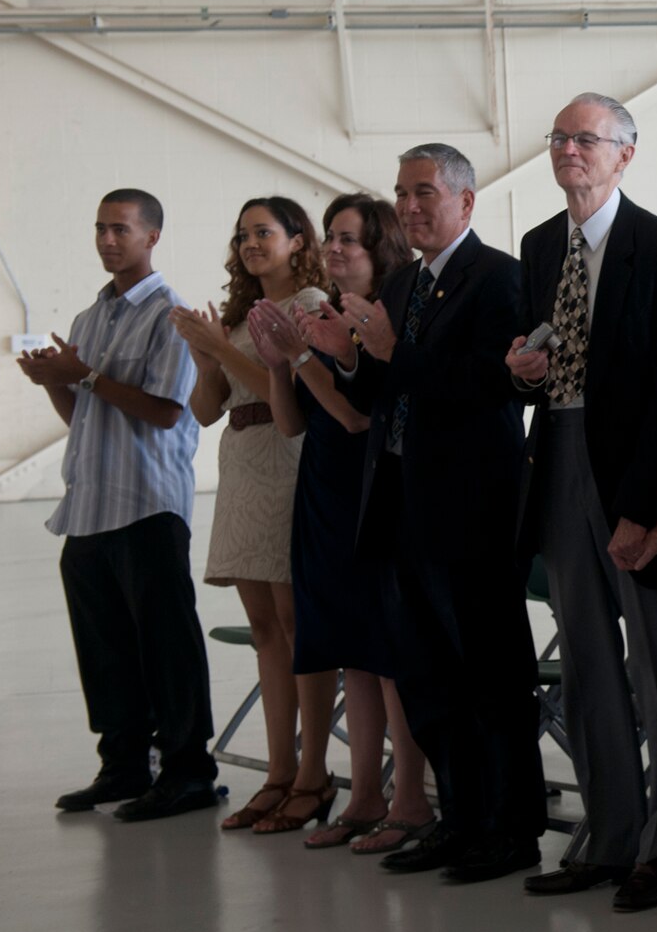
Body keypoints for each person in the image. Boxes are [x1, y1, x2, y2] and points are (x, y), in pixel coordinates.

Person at [302, 144, 543, 884]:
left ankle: (511, 829)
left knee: (489, 677)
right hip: (401, 505)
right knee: (429, 677)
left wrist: (389, 355)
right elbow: (383, 392)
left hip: (469, 508)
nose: (409, 206)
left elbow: (493, 387)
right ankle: (460, 817)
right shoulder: (404, 281)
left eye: (425, 192)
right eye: (401, 192)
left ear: (466, 202)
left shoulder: (498, 276)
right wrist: (347, 357)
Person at [505, 93, 657, 912]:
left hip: (632, 470)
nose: (569, 151)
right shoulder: (536, 244)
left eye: (585, 139)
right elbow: (536, 354)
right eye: (559, 138)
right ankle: (610, 834)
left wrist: (642, 500)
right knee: (586, 658)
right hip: (556, 457)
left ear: (625, 153)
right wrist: (515, 370)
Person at [248, 194, 436, 853]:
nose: (334, 248)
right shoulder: (325, 315)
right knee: (348, 651)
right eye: (330, 237)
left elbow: (357, 417)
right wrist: (279, 364)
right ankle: (363, 795)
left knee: (385, 653)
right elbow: (296, 421)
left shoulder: (386, 316)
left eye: (348, 238)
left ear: (379, 245)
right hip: (323, 489)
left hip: (373, 489)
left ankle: (410, 798)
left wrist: (300, 356)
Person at [24, 190, 219, 823]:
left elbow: (167, 411)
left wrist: (81, 375)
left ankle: (189, 770)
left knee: (166, 642)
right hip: (89, 504)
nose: (109, 240)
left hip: (146, 504)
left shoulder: (173, 315)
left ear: (152, 236)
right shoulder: (87, 319)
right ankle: (124, 764)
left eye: (122, 229)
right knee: (103, 644)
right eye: (101, 229)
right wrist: (60, 380)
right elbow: (84, 415)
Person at [170, 197, 333, 834]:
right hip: (240, 463)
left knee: (300, 624)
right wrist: (207, 358)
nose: (249, 244)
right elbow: (207, 410)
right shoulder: (239, 316)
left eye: (263, 232)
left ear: (298, 241)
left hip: (289, 458)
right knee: (265, 627)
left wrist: (220, 346)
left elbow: (284, 389)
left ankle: (314, 773)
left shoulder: (311, 304)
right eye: (242, 235)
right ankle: (279, 771)